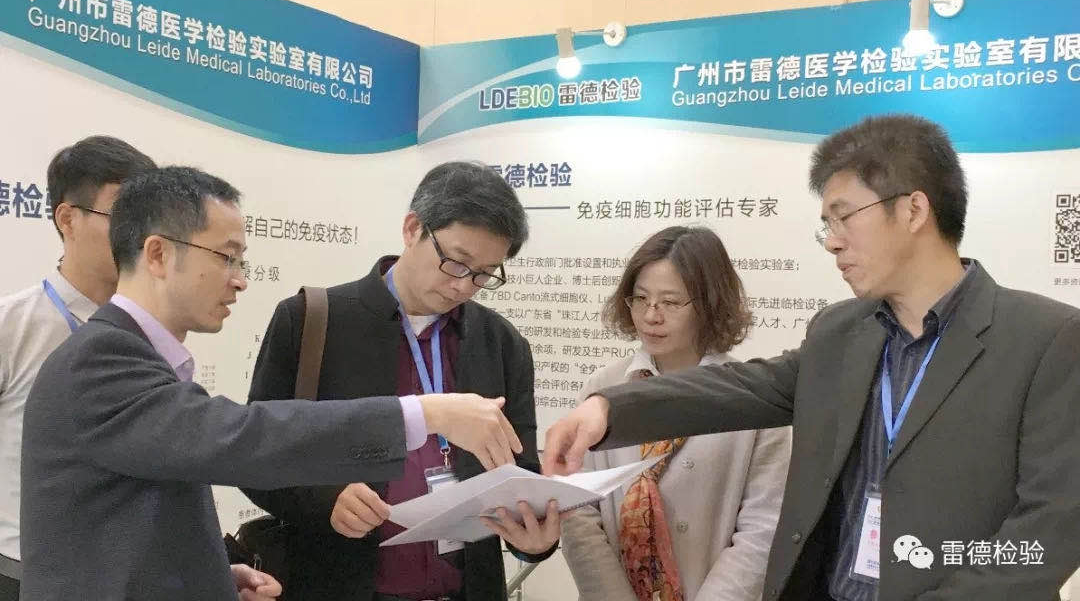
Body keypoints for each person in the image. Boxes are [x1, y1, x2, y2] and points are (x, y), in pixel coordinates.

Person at [543, 114, 1080, 601]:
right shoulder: (841, 332)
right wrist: (609, 408)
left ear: (914, 210)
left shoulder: (1044, 338)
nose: (832, 242)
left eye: (844, 217)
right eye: (827, 224)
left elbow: (1051, 531)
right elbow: (744, 387)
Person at [20, 166, 525, 601]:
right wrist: (425, 413)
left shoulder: (138, 357)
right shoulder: (101, 359)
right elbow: (243, 437)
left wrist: (215, 576)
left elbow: (137, 522)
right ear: (157, 254)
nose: (240, 278)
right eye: (226, 257)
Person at [242, 161, 559, 601]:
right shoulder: (311, 321)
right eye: (457, 263)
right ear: (413, 229)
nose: (464, 286)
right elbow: (255, 455)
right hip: (341, 585)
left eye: (485, 273)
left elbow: (518, 471)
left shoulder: (501, 342)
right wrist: (324, 498)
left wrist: (534, 541)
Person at [560, 226, 791, 601]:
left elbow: (763, 527)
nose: (651, 315)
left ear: (709, 304)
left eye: (670, 302)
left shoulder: (752, 398)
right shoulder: (603, 388)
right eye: (640, 298)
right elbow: (579, 512)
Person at [0, 136, 156, 601]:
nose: (140, 236)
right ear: (68, 219)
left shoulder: (155, 333)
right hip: (24, 573)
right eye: (123, 215)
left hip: (129, 574)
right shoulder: (12, 326)